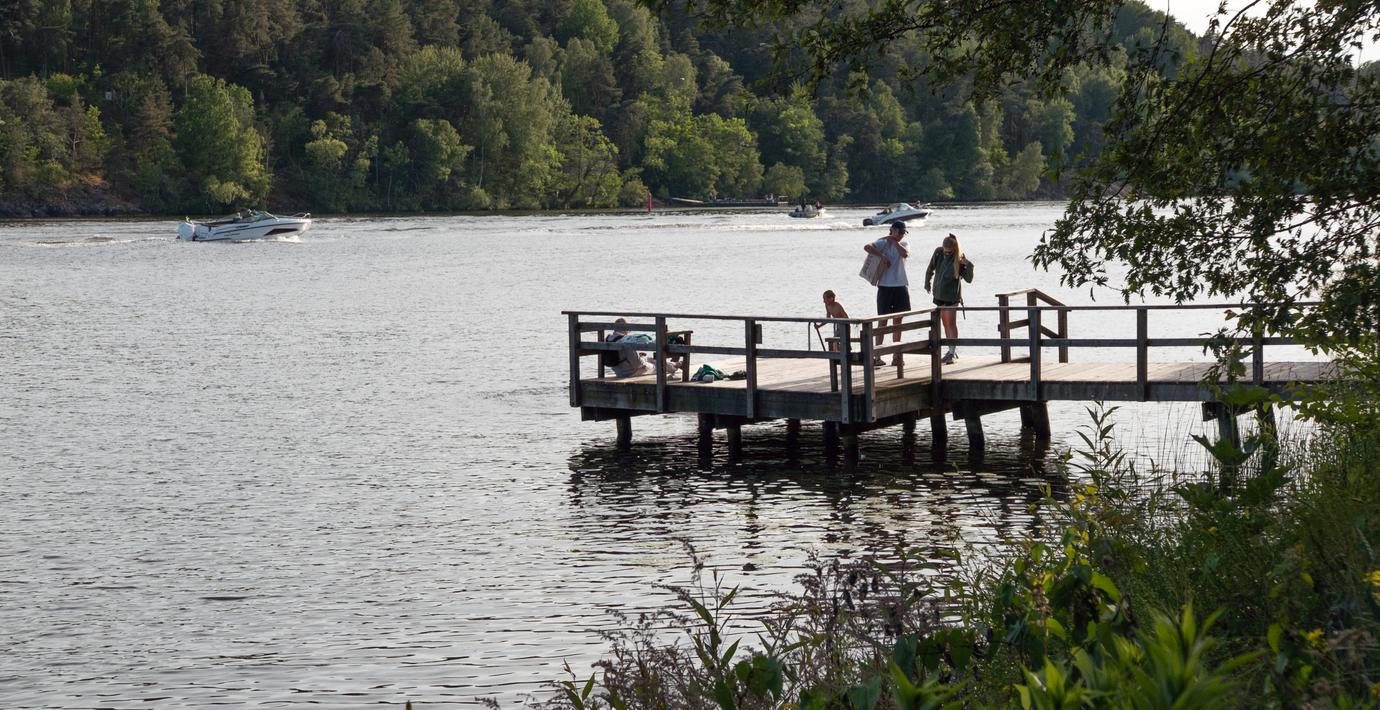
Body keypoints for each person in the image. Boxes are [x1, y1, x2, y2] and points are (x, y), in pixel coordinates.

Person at [863, 221, 911, 365]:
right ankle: (878, 356)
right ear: (893, 230)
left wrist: (894, 241)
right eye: (900, 232)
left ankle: (897, 355)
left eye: (904, 232)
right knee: (882, 321)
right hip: (884, 286)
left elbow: (905, 254)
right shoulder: (882, 243)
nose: (902, 235)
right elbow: (867, 247)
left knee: (898, 321)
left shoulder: (904, 243)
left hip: (900, 285)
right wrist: (882, 256)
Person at [924, 233, 974, 364]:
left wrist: (969, 265)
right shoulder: (938, 253)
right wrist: (927, 283)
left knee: (951, 323)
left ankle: (952, 352)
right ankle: (950, 350)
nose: (947, 254)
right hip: (939, 294)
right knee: (945, 323)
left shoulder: (959, 259)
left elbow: (969, 279)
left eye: (949, 252)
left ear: (954, 249)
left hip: (952, 296)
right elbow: (930, 269)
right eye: (945, 251)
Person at [606, 318, 679, 378]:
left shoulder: (608, 339)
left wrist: (640, 356)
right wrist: (642, 360)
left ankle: (675, 364)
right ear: (625, 328)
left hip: (618, 371)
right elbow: (637, 364)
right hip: (630, 372)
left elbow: (621, 356)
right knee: (657, 365)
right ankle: (676, 366)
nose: (628, 332)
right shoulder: (625, 340)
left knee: (649, 359)